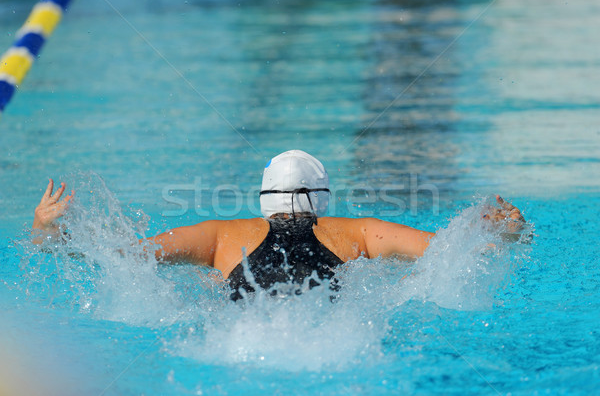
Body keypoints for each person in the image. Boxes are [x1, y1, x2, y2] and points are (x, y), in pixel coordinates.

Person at [32, 150, 525, 299]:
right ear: (324, 200)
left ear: (263, 199)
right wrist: (502, 230)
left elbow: (117, 258)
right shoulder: (358, 232)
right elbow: (453, 251)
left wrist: (46, 231)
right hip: (331, 339)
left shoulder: (220, 235)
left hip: (238, 343)